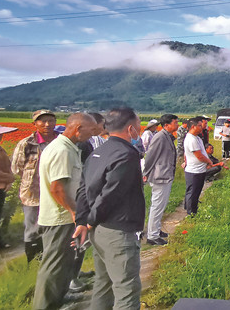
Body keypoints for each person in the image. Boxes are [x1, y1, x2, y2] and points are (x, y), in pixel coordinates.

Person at [75, 107, 145, 310]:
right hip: (117, 231)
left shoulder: (98, 151)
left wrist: (83, 221)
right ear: (131, 128)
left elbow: (83, 189)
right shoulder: (126, 154)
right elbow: (110, 195)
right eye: (138, 125)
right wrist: (88, 221)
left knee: (103, 284)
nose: (139, 129)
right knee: (126, 291)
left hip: (98, 231)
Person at [33, 113, 96, 310]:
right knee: (54, 266)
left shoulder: (67, 148)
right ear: (78, 129)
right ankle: (45, 305)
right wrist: (75, 212)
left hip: (64, 216)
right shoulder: (62, 151)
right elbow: (57, 189)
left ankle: (58, 299)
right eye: (91, 130)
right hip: (59, 219)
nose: (92, 135)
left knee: (63, 264)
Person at [11, 109, 58, 262]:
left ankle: (50, 260)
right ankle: (33, 263)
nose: (47, 124)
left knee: (55, 227)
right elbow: (16, 168)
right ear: (34, 124)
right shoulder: (26, 144)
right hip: (33, 193)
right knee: (32, 228)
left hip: (57, 192)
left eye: (51, 120)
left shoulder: (60, 142)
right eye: (42, 121)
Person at [142, 114, 179, 246]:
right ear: (167, 125)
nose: (177, 125)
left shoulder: (166, 136)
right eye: (175, 123)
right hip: (160, 176)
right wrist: (145, 173)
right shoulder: (160, 137)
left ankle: (156, 230)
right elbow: (150, 156)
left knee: (161, 205)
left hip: (165, 175)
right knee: (157, 206)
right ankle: (152, 235)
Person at [0, 122, 17, 251]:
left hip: (0, 188)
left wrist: (8, 182)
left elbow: (8, 166)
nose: (1, 135)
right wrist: (9, 178)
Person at [183, 116, 214, 216]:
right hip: (194, 171)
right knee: (192, 193)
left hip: (199, 170)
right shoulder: (191, 139)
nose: (202, 128)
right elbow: (199, 156)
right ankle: (191, 213)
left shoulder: (197, 138)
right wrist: (209, 162)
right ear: (193, 126)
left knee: (195, 192)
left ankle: (192, 209)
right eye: (200, 126)